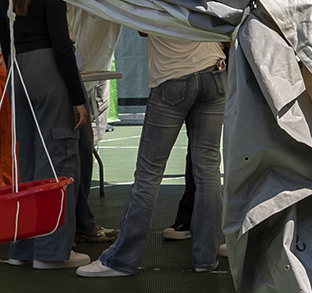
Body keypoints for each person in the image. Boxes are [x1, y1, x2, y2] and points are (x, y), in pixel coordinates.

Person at [80, 32, 230, 277]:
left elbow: (143, 27)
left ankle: (122, 260)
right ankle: (206, 257)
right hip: (213, 72)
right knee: (208, 171)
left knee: (148, 174)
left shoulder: (158, 1)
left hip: (172, 76)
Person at [0, 0, 92, 269]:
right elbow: (61, 44)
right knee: (58, 160)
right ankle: (52, 252)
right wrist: (77, 96)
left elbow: (4, 38)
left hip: (17, 69)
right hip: (48, 69)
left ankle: (22, 248)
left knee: (26, 161)